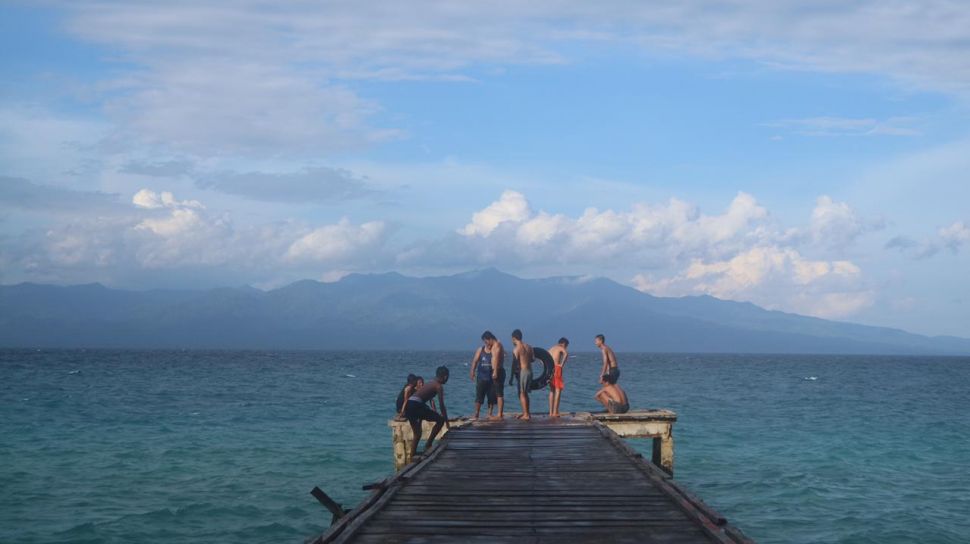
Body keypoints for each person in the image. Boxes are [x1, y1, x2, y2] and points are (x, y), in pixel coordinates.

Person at [403, 366, 450, 459]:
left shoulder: (431, 383)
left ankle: (412, 456)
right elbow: (442, 405)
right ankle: (428, 445)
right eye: (447, 377)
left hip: (409, 405)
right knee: (440, 420)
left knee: (417, 433)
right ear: (445, 377)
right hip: (415, 405)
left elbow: (422, 398)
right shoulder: (438, 386)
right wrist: (447, 422)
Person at [470, 331, 497, 420]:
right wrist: (472, 371)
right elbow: (475, 361)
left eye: (486, 340)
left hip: (491, 378)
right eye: (484, 341)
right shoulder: (480, 350)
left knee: (491, 397)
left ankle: (489, 413)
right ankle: (476, 413)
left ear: (490, 339)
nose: (486, 343)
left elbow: (501, 357)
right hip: (481, 378)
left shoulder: (495, 349)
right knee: (479, 396)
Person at [511, 329, 534, 420]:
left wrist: (511, 378)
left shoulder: (516, 349)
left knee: (522, 393)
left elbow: (514, 364)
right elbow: (533, 360)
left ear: (514, 338)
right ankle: (526, 413)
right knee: (525, 393)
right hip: (530, 372)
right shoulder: (529, 347)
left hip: (523, 372)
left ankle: (526, 415)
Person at [547, 337, 569, 417]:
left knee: (552, 390)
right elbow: (566, 354)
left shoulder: (551, 348)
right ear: (563, 344)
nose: (566, 347)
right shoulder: (560, 347)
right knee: (558, 390)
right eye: (566, 346)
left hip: (550, 369)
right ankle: (555, 412)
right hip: (557, 368)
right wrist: (561, 365)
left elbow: (545, 356)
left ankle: (550, 412)